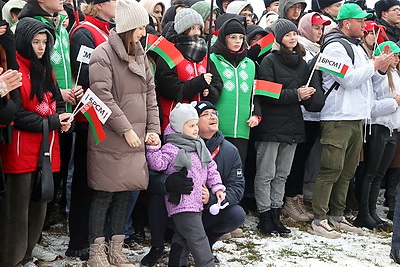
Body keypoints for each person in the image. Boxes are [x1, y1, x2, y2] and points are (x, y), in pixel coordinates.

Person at [86, 0, 160, 265]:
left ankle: (116, 250)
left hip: (136, 138)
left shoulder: (141, 54)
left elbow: (150, 94)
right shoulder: (102, 54)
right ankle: (96, 252)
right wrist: (126, 128)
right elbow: (102, 96)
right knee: (104, 194)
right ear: (129, 26)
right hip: (110, 137)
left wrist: (153, 129)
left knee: (125, 193)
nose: (143, 32)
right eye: (140, 27)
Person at [309, 3, 392, 239]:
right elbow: (348, 80)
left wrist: (380, 70)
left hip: (357, 117)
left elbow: (367, 83)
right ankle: (319, 218)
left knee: (347, 171)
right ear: (347, 23)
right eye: (360, 21)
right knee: (331, 169)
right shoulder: (334, 47)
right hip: (337, 117)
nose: (365, 26)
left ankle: (337, 215)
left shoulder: (356, 48)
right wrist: (373, 65)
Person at [0, 17, 72, 267]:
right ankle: (11, 260)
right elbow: (16, 113)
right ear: (23, 41)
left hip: (46, 149)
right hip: (20, 151)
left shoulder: (45, 68)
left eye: (44, 42)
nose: (41, 47)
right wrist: (52, 121)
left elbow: (57, 99)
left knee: (39, 209)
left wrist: (63, 117)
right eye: (35, 41)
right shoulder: (15, 68)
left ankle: (27, 256)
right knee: (16, 215)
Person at [141, 101, 245, 267]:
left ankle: (177, 263)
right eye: (194, 124)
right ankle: (204, 262)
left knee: (183, 237)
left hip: (199, 204)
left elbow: (213, 171)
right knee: (197, 237)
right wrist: (154, 151)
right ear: (180, 127)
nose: (212, 117)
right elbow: (156, 166)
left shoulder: (206, 147)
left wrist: (215, 193)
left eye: (214, 113)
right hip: (181, 203)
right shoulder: (172, 147)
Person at [253, 18, 318, 236]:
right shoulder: (269, 61)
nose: (292, 38)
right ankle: (264, 215)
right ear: (279, 38)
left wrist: (309, 94)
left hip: (292, 125)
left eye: (294, 34)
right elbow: (266, 93)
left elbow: (304, 94)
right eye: (288, 35)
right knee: (266, 173)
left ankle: (275, 212)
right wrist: (296, 94)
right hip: (271, 125)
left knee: (282, 174)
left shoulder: (301, 62)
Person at [66, 0, 116, 260]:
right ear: (100, 4)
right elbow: (84, 75)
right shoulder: (85, 32)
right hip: (89, 117)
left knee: (99, 179)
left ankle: (97, 235)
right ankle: (78, 239)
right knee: (86, 181)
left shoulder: (107, 30)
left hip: (104, 113)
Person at [281, 12, 331, 223]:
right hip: (299, 111)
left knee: (304, 158)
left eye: (321, 29)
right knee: (296, 159)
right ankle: (290, 199)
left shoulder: (319, 50)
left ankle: (298, 196)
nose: (319, 32)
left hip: (314, 113)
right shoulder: (300, 49)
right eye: (316, 28)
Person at [353, 41, 400, 230]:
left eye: (397, 56)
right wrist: (394, 102)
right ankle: (363, 213)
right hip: (377, 127)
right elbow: (370, 107)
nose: (396, 59)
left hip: (392, 128)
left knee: (380, 174)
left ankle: (372, 212)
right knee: (370, 172)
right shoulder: (377, 77)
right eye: (393, 56)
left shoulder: (396, 75)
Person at [156, 8, 220, 132]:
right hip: (176, 122)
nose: (197, 32)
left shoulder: (205, 54)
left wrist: (211, 91)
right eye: (192, 28)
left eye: (199, 28)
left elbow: (217, 83)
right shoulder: (169, 54)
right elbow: (169, 87)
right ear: (183, 30)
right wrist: (199, 83)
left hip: (200, 124)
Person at [209, 18, 259, 172]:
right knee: (216, 172)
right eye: (233, 37)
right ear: (224, 38)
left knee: (237, 172)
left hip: (243, 128)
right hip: (218, 128)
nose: (238, 41)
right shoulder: (212, 59)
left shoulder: (249, 64)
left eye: (241, 37)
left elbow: (255, 93)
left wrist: (256, 114)